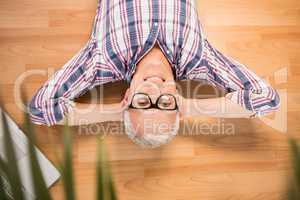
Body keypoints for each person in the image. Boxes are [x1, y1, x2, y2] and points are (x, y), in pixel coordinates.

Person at [28, 0, 280, 148]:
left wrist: (116, 111)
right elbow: (265, 99)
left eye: (142, 102)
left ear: (127, 97)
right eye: (165, 104)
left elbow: (40, 109)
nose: (156, 91)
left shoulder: (102, 60)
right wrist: (191, 108)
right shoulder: (199, 58)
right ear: (178, 101)